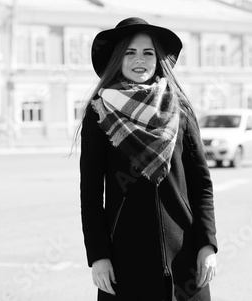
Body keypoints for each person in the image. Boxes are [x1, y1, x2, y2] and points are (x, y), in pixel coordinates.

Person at [78, 17, 218, 301]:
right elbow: (91, 195)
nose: (139, 60)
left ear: (158, 59)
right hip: (125, 264)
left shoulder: (180, 109)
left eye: (147, 52)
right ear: (118, 59)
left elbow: (201, 184)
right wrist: (99, 256)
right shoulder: (99, 113)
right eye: (130, 52)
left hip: (185, 261)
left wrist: (207, 245)